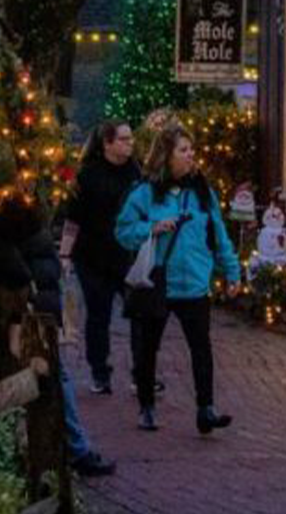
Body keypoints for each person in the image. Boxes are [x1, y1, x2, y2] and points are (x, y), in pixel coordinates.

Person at [115, 121, 241, 434]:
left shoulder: (202, 192)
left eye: (191, 150)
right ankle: (147, 405)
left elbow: (219, 233)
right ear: (166, 155)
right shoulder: (145, 194)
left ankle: (205, 409)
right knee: (149, 347)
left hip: (195, 282)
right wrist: (150, 229)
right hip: (160, 281)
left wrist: (232, 271)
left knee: (201, 347)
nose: (190, 156)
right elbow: (122, 231)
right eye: (183, 150)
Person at [0, 215, 116, 478]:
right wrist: (29, 285)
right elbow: (6, 252)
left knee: (49, 375)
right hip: (33, 303)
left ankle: (63, 446)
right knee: (51, 376)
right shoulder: (15, 210)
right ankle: (72, 448)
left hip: (39, 301)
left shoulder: (25, 208)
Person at [58, 119, 140, 394]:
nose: (130, 144)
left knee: (140, 312)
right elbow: (73, 218)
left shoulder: (135, 173)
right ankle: (99, 372)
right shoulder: (88, 175)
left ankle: (142, 371)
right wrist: (65, 254)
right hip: (92, 257)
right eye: (124, 139)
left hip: (127, 256)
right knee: (98, 314)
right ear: (107, 143)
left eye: (131, 139)